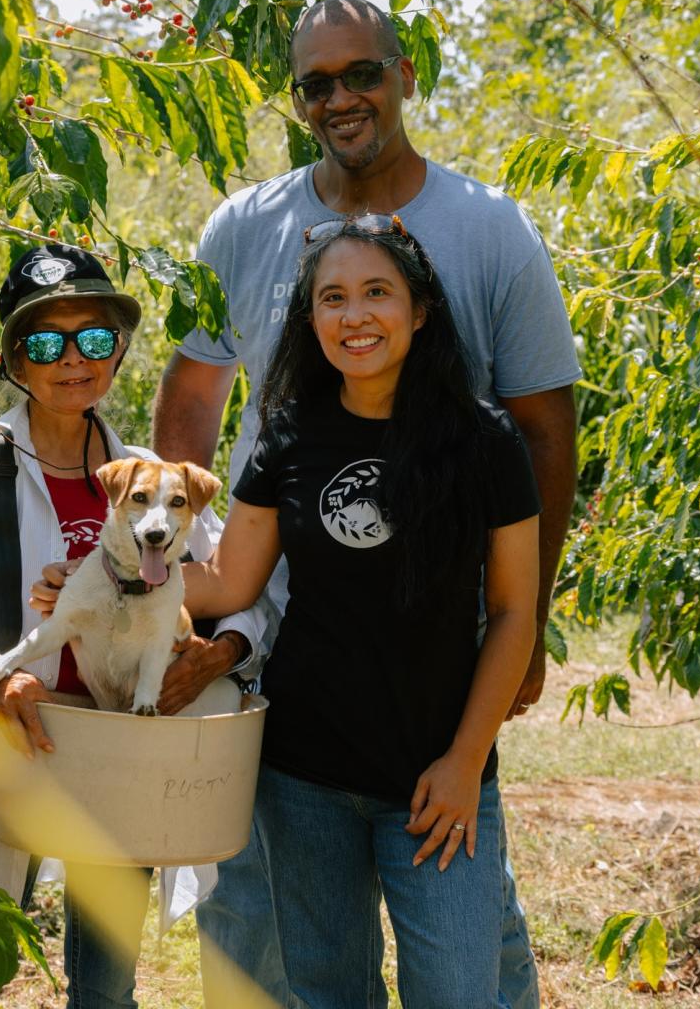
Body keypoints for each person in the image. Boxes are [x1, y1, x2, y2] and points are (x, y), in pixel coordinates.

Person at [155, 0, 581, 1007]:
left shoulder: (487, 235)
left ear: (406, 74)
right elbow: (191, 414)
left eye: (362, 74)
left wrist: (520, 639)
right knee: (277, 929)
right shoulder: (246, 231)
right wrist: (139, 585)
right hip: (284, 658)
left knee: (461, 942)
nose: (341, 97)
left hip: (436, 657)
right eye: (316, 83)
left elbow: (546, 432)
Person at [179, 217, 542, 1007]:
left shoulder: (485, 441)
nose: (355, 316)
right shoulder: (289, 434)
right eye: (332, 298)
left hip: (438, 778)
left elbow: (516, 612)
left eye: (377, 292)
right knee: (329, 995)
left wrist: (464, 761)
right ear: (310, 321)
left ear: (420, 308)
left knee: (457, 994)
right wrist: (111, 579)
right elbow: (225, 582)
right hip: (303, 776)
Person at [0, 243, 267, 1009]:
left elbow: (242, 592)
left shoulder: (150, 481)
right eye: (45, 343)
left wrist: (222, 650)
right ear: (12, 359)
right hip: (8, 742)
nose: (73, 360)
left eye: (94, 338)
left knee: (106, 991)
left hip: (116, 750)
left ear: (119, 351)